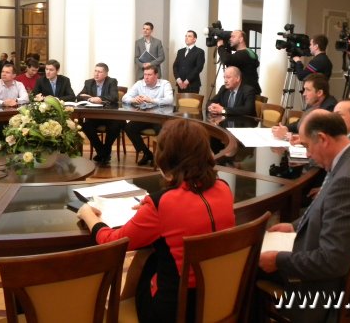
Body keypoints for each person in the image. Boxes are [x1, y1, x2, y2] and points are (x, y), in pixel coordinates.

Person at [77, 119, 235, 322]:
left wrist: (87, 214)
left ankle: (120, 309)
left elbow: (114, 241)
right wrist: (153, 208)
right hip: (217, 297)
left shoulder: (162, 204)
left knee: (146, 257)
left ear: (165, 158)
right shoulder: (224, 188)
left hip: (174, 311)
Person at [258, 110, 350, 322]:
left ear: (322, 138)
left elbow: (333, 261)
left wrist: (278, 260)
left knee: (247, 267)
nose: (308, 154)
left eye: (307, 146)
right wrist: (294, 226)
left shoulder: (347, 182)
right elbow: (327, 211)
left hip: (328, 290)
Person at [123, 64, 174, 165]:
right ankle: (147, 153)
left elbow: (169, 100)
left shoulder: (165, 84)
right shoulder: (139, 83)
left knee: (163, 131)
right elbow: (124, 98)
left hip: (159, 118)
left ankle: (159, 156)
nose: (146, 77)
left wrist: (152, 100)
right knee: (129, 128)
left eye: (149, 75)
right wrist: (133, 99)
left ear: (156, 75)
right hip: (144, 117)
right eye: (145, 74)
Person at [78, 63, 123, 165]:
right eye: (95, 71)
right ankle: (103, 152)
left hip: (109, 117)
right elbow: (78, 96)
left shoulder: (112, 81)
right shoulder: (89, 82)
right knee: (86, 126)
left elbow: (114, 97)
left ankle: (104, 152)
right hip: (94, 117)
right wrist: (87, 97)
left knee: (115, 126)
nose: (96, 74)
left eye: (99, 72)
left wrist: (100, 99)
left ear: (106, 74)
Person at [272, 72, 337, 138]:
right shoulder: (312, 102)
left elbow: (316, 136)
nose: (304, 94)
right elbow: (300, 124)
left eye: (308, 90)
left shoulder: (330, 108)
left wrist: (288, 135)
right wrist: (286, 128)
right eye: (304, 89)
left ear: (319, 93)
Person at [216, 30, 261, 95]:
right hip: (250, 90)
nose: (230, 39)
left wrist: (220, 46)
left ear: (241, 39)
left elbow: (227, 60)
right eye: (230, 37)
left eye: (233, 37)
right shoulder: (249, 52)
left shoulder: (243, 54)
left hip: (246, 93)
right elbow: (231, 63)